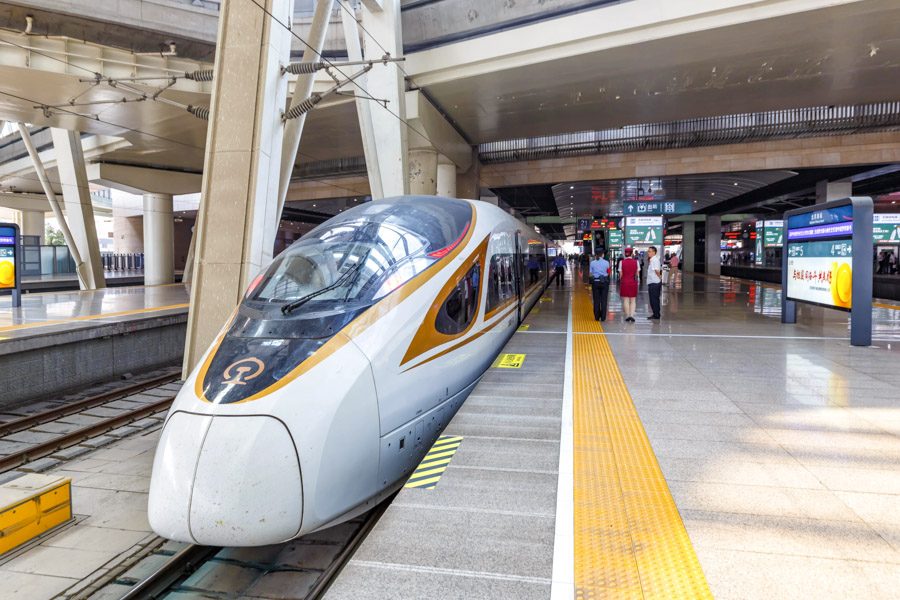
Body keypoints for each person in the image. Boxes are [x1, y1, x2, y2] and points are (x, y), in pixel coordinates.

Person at [589, 249, 611, 321]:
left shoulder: (592, 263)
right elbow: (608, 272)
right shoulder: (607, 262)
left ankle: (597, 317)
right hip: (604, 283)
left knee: (596, 300)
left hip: (595, 282)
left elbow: (591, 273)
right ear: (602, 254)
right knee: (604, 300)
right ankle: (603, 317)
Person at [618, 247, 639, 322]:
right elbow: (637, 273)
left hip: (624, 282)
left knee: (626, 300)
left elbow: (621, 273)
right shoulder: (636, 262)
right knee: (633, 300)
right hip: (633, 282)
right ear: (632, 254)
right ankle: (631, 316)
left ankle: (627, 316)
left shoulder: (621, 262)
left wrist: (624, 278)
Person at [646, 246, 662, 320]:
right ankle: (655, 314)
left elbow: (656, 270)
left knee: (654, 300)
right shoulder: (652, 260)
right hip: (652, 282)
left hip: (654, 283)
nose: (648, 253)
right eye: (648, 251)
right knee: (653, 300)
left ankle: (656, 315)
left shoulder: (655, 260)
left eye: (649, 251)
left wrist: (659, 276)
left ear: (654, 252)